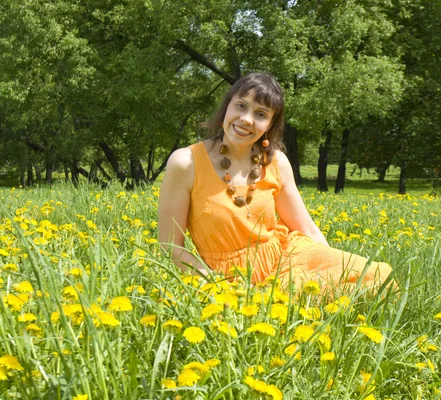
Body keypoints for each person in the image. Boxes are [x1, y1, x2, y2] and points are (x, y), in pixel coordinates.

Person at [158, 72, 393, 292]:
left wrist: (331, 264)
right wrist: (216, 287)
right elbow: (170, 247)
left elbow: (306, 228)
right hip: (227, 279)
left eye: (260, 114)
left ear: (269, 125)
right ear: (227, 106)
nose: (246, 119)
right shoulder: (186, 162)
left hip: (287, 261)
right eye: (241, 106)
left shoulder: (276, 161)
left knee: (375, 279)